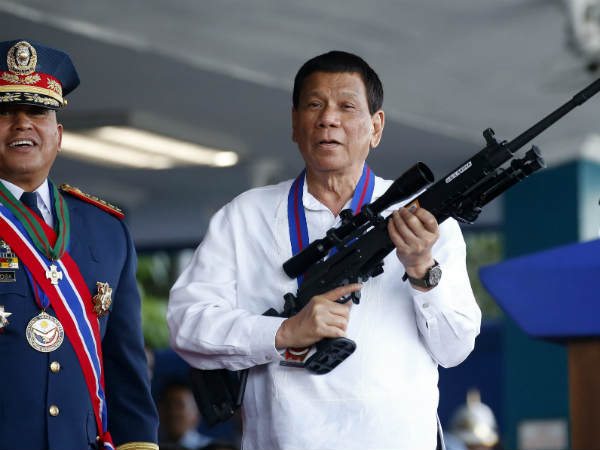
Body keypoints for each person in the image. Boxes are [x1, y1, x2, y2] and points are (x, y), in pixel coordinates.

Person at [167, 50, 481, 449]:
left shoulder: (423, 220)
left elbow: (455, 349)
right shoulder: (246, 216)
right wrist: (283, 332)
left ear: (376, 128)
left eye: (347, 106)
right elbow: (186, 324)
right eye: (315, 105)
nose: (328, 118)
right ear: (295, 123)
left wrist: (421, 267)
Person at [0, 39, 158, 449]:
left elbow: (126, 372)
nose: (22, 124)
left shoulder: (106, 230)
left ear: (58, 135)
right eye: (5, 111)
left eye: (37, 111)